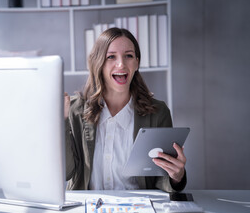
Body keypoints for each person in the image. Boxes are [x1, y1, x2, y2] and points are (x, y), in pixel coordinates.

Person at [64, 27, 186, 192]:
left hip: (142, 210)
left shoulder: (158, 112)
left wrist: (176, 176)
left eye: (128, 56)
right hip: (88, 209)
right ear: (97, 63)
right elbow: (66, 173)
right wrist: (60, 123)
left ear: (136, 62)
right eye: (111, 57)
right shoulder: (73, 110)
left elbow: (160, 179)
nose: (121, 64)